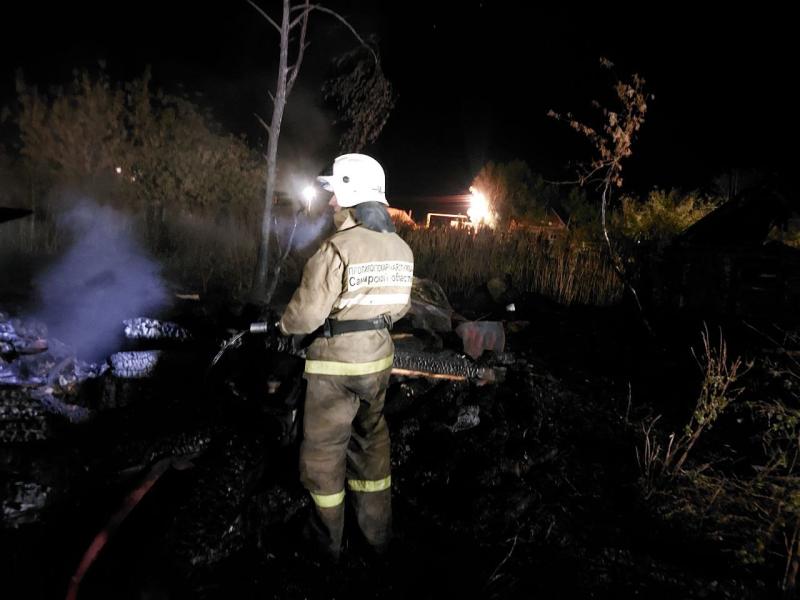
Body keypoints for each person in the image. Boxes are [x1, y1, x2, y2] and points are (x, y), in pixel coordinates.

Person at [278, 153, 414, 560]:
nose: (332, 202)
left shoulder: (337, 249)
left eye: (336, 192)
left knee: (322, 457)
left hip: (334, 370)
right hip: (377, 365)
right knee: (371, 447)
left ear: (353, 194)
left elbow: (304, 316)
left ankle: (327, 546)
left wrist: (283, 328)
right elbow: (401, 308)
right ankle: (375, 538)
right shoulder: (402, 249)